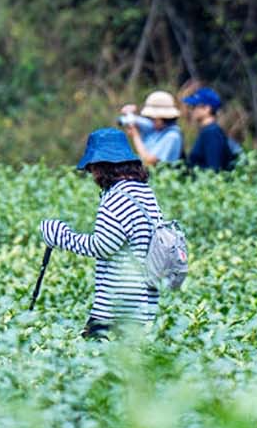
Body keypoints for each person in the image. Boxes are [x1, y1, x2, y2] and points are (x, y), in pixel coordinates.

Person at [39, 128, 165, 339]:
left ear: (101, 166)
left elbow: (103, 246)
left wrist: (60, 236)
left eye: (92, 168)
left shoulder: (117, 198)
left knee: (92, 355)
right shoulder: (145, 192)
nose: (92, 174)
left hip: (115, 308)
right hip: (145, 304)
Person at [119, 90, 184, 166]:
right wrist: (129, 113)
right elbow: (140, 122)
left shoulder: (172, 136)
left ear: (162, 118)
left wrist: (135, 135)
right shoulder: (157, 129)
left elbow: (148, 161)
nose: (150, 120)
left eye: (152, 118)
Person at [183, 87, 236, 172]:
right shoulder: (208, 131)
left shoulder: (211, 133)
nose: (191, 110)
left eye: (194, 106)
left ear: (207, 109)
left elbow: (214, 168)